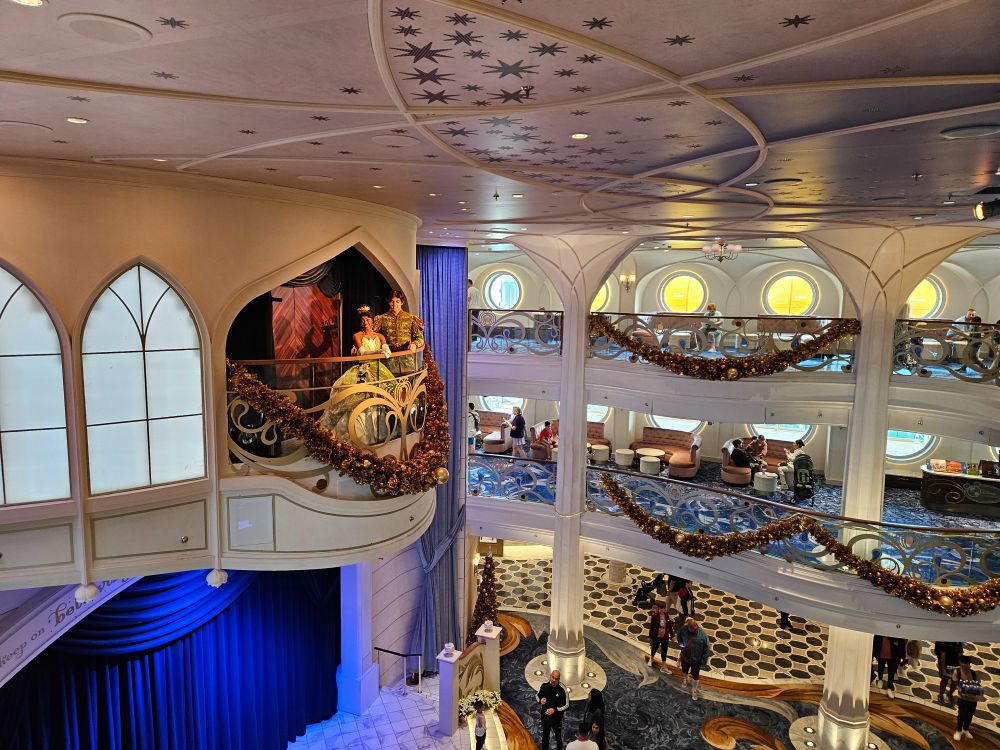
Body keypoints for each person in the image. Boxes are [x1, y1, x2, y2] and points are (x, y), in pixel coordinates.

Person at [322, 306, 395, 444]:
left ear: (372, 321)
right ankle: (358, 435)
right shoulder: (357, 335)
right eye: (363, 320)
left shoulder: (380, 336)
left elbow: (388, 351)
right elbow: (362, 353)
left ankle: (376, 433)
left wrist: (384, 349)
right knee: (356, 398)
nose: (365, 322)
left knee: (379, 397)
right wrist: (378, 352)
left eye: (368, 320)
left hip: (378, 368)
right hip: (363, 368)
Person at [375, 290, 424, 375]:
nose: (394, 304)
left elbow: (420, 338)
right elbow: (370, 335)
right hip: (389, 363)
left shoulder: (410, 318)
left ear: (402, 302)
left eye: (397, 301)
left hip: (407, 363)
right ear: (389, 302)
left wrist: (414, 344)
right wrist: (357, 346)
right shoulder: (382, 318)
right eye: (392, 302)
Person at [948, 654, 984, 741]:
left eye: (966, 663)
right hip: (962, 698)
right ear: (960, 663)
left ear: (969, 664)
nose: (964, 665)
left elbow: (978, 685)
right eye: (963, 663)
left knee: (970, 714)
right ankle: (958, 730)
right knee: (961, 714)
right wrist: (959, 690)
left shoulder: (974, 673)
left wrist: (975, 691)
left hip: (973, 699)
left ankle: (966, 729)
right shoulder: (957, 672)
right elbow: (955, 684)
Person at [676, 616, 711, 700]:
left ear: (696, 626)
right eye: (691, 629)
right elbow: (679, 634)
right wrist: (680, 643)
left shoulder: (703, 635)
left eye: (694, 629)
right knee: (684, 670)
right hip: (685, 657)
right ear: (688, 627)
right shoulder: (684, 629)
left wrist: (703, 661)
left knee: (695, 676)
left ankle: (694, 690)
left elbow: (706, 649)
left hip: (696, 660)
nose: (693, 630)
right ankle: (686, 679)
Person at [537, 670, 568, 750]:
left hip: (557, 719)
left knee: (558, 736)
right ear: (550, 676)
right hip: (545, 716)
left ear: (559, 679)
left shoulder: (563, 689)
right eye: (552, 677)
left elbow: (566, 705)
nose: (554, 680)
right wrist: (540, 700)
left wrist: (555, 710)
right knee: (545, 735)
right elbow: (537, 695)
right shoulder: (544, 685)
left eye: (556, 679)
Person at [872, 635, 906, 699]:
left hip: (893, 654)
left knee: (891, 672)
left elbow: (901, 641)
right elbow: (876, 640)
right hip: (881, 652)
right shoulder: (879, 633)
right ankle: (880, 679)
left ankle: (889, 688)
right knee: (880, 667)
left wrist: (902, 656)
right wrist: (874, 653)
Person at [646, 600, 671, 671]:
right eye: (663, 608)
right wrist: (650, 637)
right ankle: (651, 659)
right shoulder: (655, 616)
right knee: (654, 648)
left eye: (664, 608)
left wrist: (672, 634)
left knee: (664, 650)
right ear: (659, 608)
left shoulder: (666, 615)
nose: (664, 609)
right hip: (657, 635)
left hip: (664, 635)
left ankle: (663, 666)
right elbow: (652, 627)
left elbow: (668, 625)